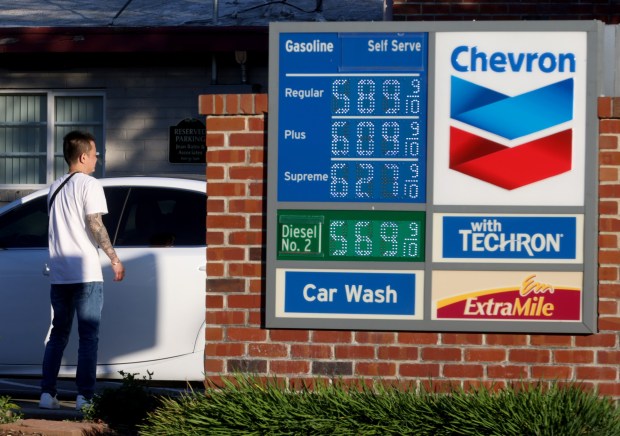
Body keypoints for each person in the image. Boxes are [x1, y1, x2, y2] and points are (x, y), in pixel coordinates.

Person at [39, 131, 125, 411]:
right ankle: (84, 397)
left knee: (58, 334)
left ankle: (46, 394)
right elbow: (94, 223)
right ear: (83, 156)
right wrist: (113, 258)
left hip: (60, 274)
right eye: (95, 154)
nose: (97, 160)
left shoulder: (54, 187)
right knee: (88, 337)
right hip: (86, 273)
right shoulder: (89, 184)